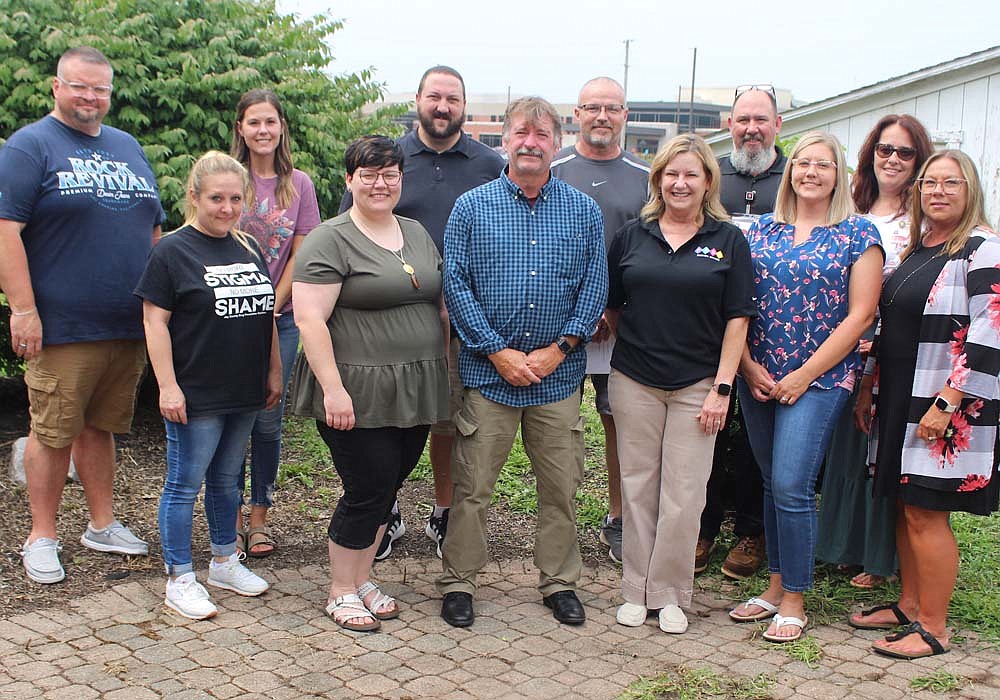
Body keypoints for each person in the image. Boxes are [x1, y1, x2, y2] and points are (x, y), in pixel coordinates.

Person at [437, 96, 607, 628]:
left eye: (541, 134)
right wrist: (496, 350)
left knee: (560, 488)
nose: (530, 142)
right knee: (472, 489)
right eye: (520, 133)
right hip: (490, 376)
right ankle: (459, 581)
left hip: (557, 380)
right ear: (504, 141)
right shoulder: (472, 207)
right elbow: (455, 284)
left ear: (556, 144)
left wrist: (561, 349)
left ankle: (559, 582)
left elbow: (594, 284)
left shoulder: (582, 210)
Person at [0, 47, 164, 584]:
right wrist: (23, 309)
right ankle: (41, 537)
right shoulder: (31, 146)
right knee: (53, 432)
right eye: (79, 87)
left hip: (127, 322)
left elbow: (153, 229)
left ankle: (101, 524)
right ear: (56, 86)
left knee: (101, 426)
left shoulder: (126, 145)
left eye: (100, 89)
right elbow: (6, 232)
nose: (90, 98)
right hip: (63, 325)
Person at [339, 66, 504, 561]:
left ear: (463, 106)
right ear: (417, 100)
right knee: (386, 418)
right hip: (383, 318)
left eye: (452, 98)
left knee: (445, 420)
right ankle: (381, 511)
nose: (442, 106)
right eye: (434, 96)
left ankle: (443, 511)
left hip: (461, 316)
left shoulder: (487, 163)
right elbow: (347, 225)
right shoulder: (388, 159)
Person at [729, 131, 883, 643]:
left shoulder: (858, 234)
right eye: (802, 163)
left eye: (823, 164)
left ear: (839, 174)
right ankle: (773, 586)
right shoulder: (761, 232)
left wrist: (805, 374)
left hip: (818, 380)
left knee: (793, 484)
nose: (810, 172)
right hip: (762, 376)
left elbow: (860, 316)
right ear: (790, 172)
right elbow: (737, 308)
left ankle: (795, 597)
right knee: (773, 482)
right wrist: (748, 366)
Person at [290, 136, 449, 632]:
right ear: (350, 180)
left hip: (412, 386)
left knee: (389, 485)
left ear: (401, 179)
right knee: (367, 488)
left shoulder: (416, 231)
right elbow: (310, 319)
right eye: (369, 174)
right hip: (356, 388)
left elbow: (436, 302)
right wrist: (333, 389)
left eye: (390, 174)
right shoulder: (329, 238)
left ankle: (361, 578)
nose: (380, 183)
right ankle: (340, 588)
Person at [849, 151, 1000, 659]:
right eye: (928, 183)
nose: (937, 191)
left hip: (943, 402)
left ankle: (933, 626)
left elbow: (991, 328)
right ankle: (910, 605)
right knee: (904, 502)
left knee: (927, 511)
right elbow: (888, 326)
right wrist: (868, 385)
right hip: (899, 395)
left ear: (969, 188)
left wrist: (948, 400)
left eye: (949, 183)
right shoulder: (919, 250)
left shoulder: (981, 249)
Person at [607, 134, 755, 634]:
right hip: (635, 380)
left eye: (691, 173)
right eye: (671, 173)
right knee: (638, 487)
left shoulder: (727, 240)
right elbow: (612, 302)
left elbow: (738, 318)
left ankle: (670, 593)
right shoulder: (633, 236)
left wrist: (723, 387)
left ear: (708, 181)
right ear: (658, 180)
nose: (680, 182)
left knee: (685, 493)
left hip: (699, 384)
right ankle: (635, 590)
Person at [136, 151, 281, 620]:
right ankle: (179, 576)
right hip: (197, 391)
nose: (226, 207)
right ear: (194, 196)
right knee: (184, 484)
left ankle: (223, 560)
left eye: (235, 198)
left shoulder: (248, 247)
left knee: (225, 480)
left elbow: (265, 316)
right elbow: (154, 321)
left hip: (244, 388)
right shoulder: (172, 251)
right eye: (216, 198)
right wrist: (167, 386)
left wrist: (273, 370)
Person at [816, 115, 933, 588]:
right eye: (885, 150)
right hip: (843, 347)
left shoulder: (922, 217)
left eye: (905, 153)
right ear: (871, 156)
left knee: (883, 451)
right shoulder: (848, 209)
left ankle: (881, 557)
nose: (893, 160)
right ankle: (846, 545)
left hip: (896, 352)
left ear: (918, 161)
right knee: (847, 450)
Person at [550, 76, 649, 564]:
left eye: (612, 108)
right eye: (593, 107)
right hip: (564, 329)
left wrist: (612, 308)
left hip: (622, 325)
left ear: (625, 114)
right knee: (559, 428)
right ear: (577, 114)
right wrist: (581, 314)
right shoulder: (553, 170)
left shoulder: (646, 175)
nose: (602, 117)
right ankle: (559, 521)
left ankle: (620, 518)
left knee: (620, 424)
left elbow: (649, 250)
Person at [697, 85, 787, 580]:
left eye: (761, 119)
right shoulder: (712, 180)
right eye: (742, 119)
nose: (751, 129)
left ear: (778, 125)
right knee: (706, 432)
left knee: (755, 441)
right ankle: (704, 526)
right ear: (729, 125)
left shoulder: (793, 178)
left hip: (775, 337)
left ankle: (751, 531)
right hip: (713, 333)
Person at [230, 88, 321, 557]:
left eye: (270, 122)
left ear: (281, 126)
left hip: (280, 320)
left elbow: (302, 253)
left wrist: (271, 302)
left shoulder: (298, 185)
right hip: (226, 321)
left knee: (267, 422)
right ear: (241, 129)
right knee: (231, 420)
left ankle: (259, 514)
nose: (262, 131)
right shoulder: (228, 178)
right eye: (253, 123)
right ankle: (227, 518)